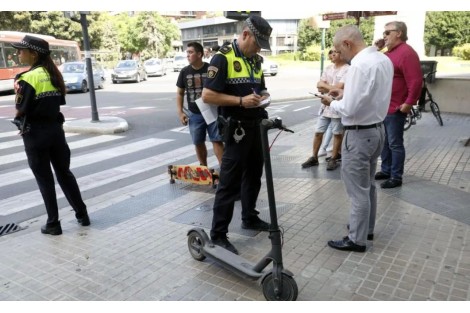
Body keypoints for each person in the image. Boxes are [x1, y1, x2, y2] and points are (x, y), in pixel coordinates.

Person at [318, 25, 393, 252]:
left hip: (360, 134)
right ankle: (365, 229)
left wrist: (332, 102)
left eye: (339, 49)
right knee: (367, 185)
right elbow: (367, 95)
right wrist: (344, 94)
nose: (339, 54)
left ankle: (356, 239)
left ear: (348, 44)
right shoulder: (382, 60)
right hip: (377, 129)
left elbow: (349, 109)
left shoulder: (359, 66)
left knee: (357, 190)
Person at [202, 16, 273, 254]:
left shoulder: (255, 61)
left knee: (254, 175)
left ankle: (249, 217)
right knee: (229, 183)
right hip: (236, 129)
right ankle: (219, 234)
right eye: (257, 43)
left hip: (255, 126)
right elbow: (208, 96)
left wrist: (263, 97)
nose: (259, 48)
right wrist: (241, 101)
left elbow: (261, 89)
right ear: (245, 35)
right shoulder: (222, 58)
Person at [11, 35, 90, 235]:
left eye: (21, 50)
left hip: (35, 134)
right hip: (56, 132)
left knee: (45, 179)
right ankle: (82, 214)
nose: (18, 53)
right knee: (65, 174)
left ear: (33, 53)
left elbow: (21, 108)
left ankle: (53, 223)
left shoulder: (27, 77)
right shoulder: (54, 75)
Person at [374, 21, 422, 189]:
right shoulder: (388, 53)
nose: (384, 36)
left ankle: (396, 176)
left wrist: (409, 103)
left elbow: (416, 81)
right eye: (384, 32)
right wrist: (375, 48)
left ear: (399, 33)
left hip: (396, 108)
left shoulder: (407, 53)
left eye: (387, 32)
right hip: (384, 107)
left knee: (395, 143)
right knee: (385, 142)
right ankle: (386, 170)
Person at [176, 42, 223, 166]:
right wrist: (180, 112)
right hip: (195, 114)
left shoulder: (210, 69)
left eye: (190, 52)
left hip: (212, 112)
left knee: (217, 140)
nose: (188, 55)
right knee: (198, 142)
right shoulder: (184, 72)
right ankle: (204, 168)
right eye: (187, 53)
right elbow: (180, 93)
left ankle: (224, 170)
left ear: (199, 54)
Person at [301, 49, 349, 170]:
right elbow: (319, 85)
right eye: (330, 52)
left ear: (342, 54)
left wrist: (325, 87)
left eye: (336, 52)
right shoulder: (328, 68)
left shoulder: (348, 69)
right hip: (325, 107)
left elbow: (338, 88)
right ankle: (314, 157)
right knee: (318, 132)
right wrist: (328, 88)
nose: (332, 54)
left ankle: (333, 158)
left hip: (337, 106)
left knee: (337, 133)